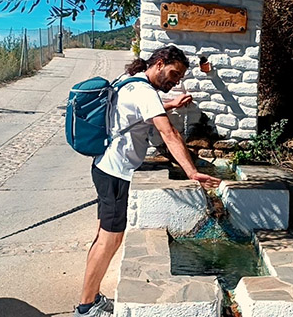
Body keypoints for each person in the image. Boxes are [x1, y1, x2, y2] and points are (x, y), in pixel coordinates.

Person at [74, 45, 221, 317]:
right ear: (160, 63)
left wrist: (171, 103)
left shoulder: (130, 81)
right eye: (173, 74)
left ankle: (91, 296)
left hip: (105, 167)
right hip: (116, 173)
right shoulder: (144, 91)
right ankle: (85, 307)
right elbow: (169, 133)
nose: (175, 81)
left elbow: (137, 111)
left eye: (178, 78)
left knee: (101, 238)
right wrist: (191, 171)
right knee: (109, 240)